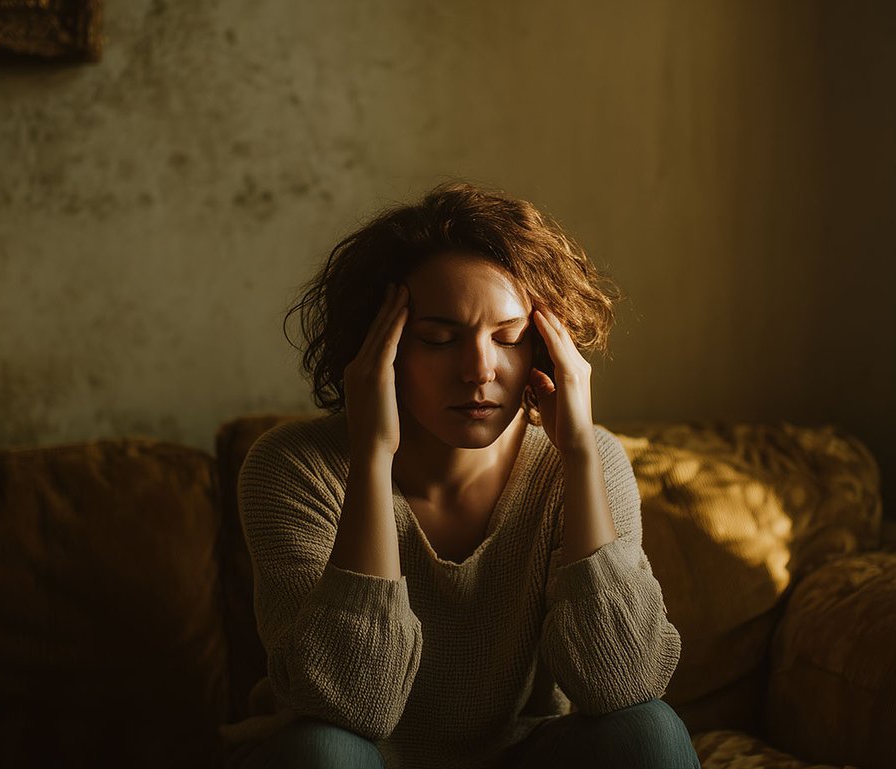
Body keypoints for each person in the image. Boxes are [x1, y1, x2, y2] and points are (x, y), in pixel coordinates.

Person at [224, 183, 698, 769]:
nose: (480, 370)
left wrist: (579, 454)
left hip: (521, 757)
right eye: (439, 339)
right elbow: (346, 704)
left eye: (509, 337)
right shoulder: (293, 466)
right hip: (360, 758)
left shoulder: (581, 463)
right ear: (380, 348)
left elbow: (624, 683)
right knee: (323, 749)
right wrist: (372, 454)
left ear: (544, 350)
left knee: (647, 729)